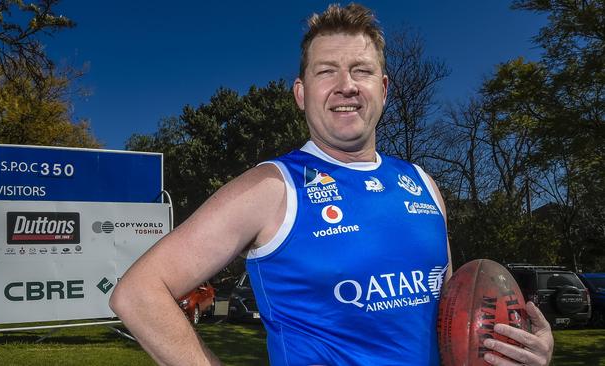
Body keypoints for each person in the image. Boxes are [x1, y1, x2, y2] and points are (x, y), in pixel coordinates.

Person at [110, 3, 554, 365]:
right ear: (302, 93)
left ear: (383, 88)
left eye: (360, 71)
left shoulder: (422, 184)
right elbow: (139, 293)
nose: (346, 86)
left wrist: (516, 348)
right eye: (327, 72)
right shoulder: (272, 187)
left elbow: (449, 314)